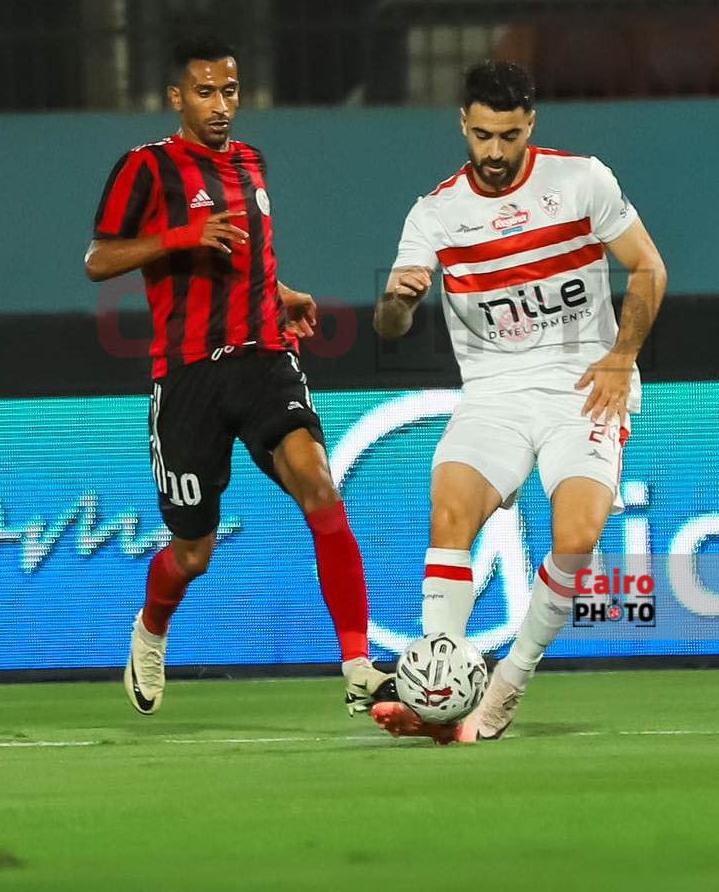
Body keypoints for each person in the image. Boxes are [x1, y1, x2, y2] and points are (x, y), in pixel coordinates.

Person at [85, 37, 394, 717]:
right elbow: (98, 260)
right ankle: (151, 628)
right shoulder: (146, 167)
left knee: (318, 483)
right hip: (187, 376)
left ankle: (357, 666)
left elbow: (243, 256)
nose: (220, 105)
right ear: (177, 97)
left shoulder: (251, 162)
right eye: (205, 92)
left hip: (263, 359)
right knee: (192, 552)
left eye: (229, 91)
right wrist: (181, 236)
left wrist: (280, 293)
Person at [372, 60, 666, 743]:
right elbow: (388, 325)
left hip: (581, 386)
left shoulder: (581, 180)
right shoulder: (434, 213)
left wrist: (621, 357)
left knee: (577, 537)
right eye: (482, 136)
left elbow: (648, 266)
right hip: (493, 394)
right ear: (463, 126)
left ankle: (507, 683)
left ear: (529, 123)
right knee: (450, 513)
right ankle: (436, 694)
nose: (495, 151)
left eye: (508, 135)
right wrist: (397, 302)